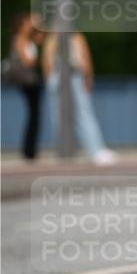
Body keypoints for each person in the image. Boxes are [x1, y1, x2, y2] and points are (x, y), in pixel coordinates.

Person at [42, 31, 118, 165]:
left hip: (63, 76)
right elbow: (85, 58)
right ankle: (94, 150)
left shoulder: (54, 38)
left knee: (62, 116)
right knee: (81, 114)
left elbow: (47, 60)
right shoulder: (73, 37)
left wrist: (49, 79)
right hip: (70, 76)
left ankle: (73, 150)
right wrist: (88, 76)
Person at [7, 12, 44, 160]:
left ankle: (30, 149)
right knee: (33, 116)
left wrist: (38, 24)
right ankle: (29, 150)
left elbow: (41, 38)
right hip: (28, 82)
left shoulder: (28, 39)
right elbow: (28, 61)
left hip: (31, 82)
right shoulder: (20, 40)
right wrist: (36, 60)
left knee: (34, 116)